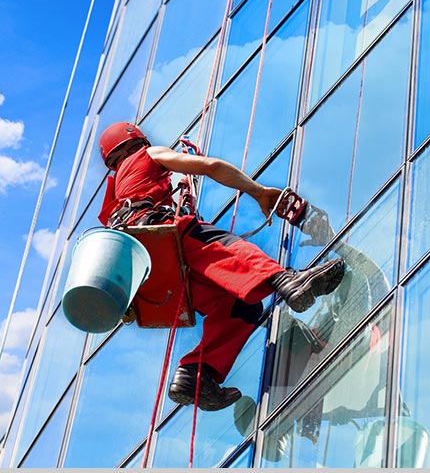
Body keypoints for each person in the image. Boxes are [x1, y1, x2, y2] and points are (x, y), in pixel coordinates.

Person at [95, 121, 346, 411]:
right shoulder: (149, 156)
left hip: (151, 275)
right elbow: (212, 166)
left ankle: (197, 374)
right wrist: (258, 192)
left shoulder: (116, 195)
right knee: (226, 248)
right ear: (137, 141)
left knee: (239, 308)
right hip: (157, 233)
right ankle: (288, 281)